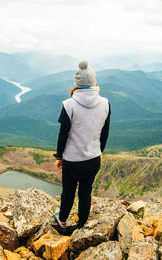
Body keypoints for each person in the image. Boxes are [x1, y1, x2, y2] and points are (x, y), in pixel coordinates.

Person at [53, 60, 111, 229]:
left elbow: (63, 134)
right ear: (94, 82)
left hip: (72, 160)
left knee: (68, 192)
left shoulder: (68, 104)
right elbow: (105, 132)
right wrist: (100, 152)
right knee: (86, 192)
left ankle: (62, 221)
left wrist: (59, 156)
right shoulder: (106, 103)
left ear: (77, 83)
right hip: (93, 158)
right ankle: (81, 224)